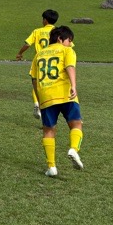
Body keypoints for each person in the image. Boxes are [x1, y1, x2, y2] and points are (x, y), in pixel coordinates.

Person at [30, 25, 84, 177]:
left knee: (48, 130)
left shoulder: (38, 55)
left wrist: (39, 98)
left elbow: (34, 79)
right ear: (60, 39)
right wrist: (73, 86)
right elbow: (70, 67)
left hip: (46, 96)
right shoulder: (67, 51)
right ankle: (74, 149)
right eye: (69, 40)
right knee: (76, 123)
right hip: (66, 94)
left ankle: (51, 167)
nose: (70, 44)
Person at [16, 9, 60, 118]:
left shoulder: (37, 31)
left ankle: (37, 104)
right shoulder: (59, 32)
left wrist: (20, 53)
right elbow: (69, 45)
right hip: (54, 62)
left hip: (39, 62)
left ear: (45, 20)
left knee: (36, 84)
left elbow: (27, 44)